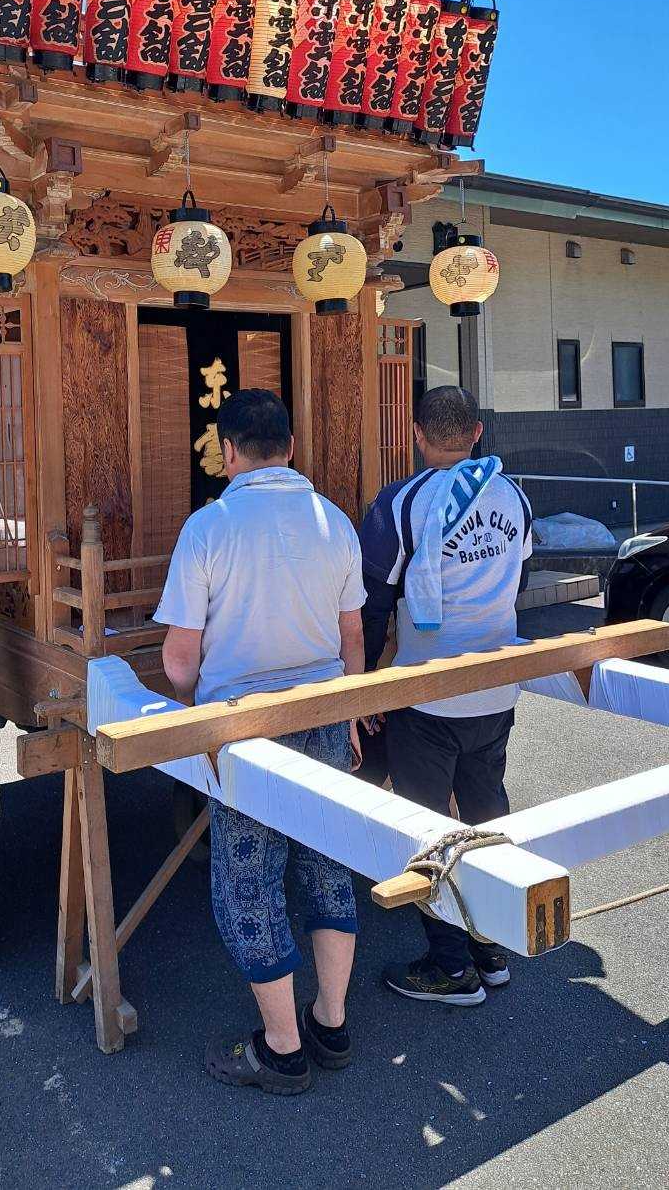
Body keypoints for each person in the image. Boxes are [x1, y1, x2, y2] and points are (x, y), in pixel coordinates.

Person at [154, 388, 366, 1094]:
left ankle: (282, 1047)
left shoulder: (208, 528)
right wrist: (351, 709)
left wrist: (187, 718)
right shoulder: (334, 521)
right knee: (329, 865)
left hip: (243, 732)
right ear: (292, 447)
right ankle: (330, 1022)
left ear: (230, 452)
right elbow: (352, 636)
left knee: (249, 881)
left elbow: (180, 660)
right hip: (326, 715)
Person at [358, 385, 532, 1005]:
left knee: (429, 832)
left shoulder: (404, 503)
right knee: (486, 818)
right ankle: (492, 946)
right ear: (478, 433)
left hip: (427, 695)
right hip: (495, 687)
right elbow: (519, 577)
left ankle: (451, 966)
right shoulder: (513, 497)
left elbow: (373, 603)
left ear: (417, 435)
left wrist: (366, 686)